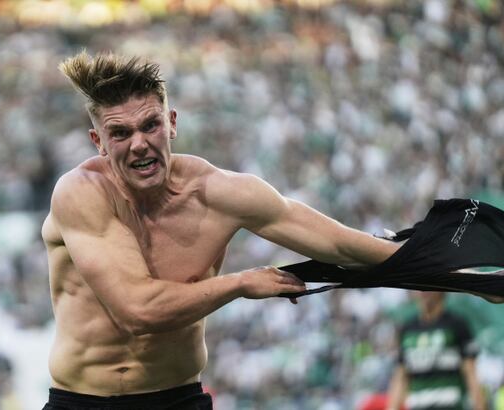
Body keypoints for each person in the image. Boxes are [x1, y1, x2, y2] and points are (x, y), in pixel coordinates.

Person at [40, 51, 399, 410]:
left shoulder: (220, 193)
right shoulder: (81, 192)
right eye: (120, 133)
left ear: (172, 122)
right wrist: (239, 284)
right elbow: (138, 310)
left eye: (150, 125)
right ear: (98, 141)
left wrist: (425, 256)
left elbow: (341, 246)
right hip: (82, 402)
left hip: (178, 399)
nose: (139, 144)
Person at [386, 291, 486, 410]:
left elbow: (471, 374)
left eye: (428, 287)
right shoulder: (407, 329)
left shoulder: (457, 324)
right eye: (419, 287)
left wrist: (480, 406)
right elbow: (400, 377)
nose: (423, 291)